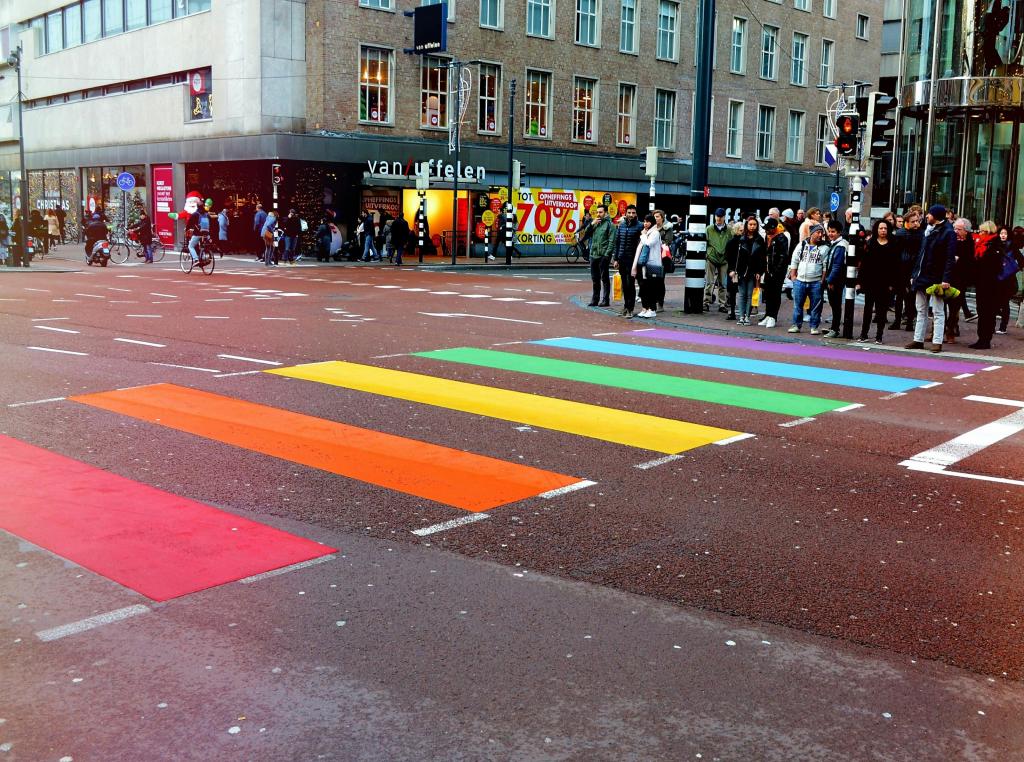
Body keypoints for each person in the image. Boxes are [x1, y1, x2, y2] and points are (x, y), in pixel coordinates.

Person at [906, 204, 956, 353]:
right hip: (922, 276)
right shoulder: (928, 231)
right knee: (920, 309)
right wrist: (914, 274)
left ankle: (937, 341)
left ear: (936, 216)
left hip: (936, 277)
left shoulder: (948, 233)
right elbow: (920, 256)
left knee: (937, 310)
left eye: (929, 214)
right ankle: (918, 339)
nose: (927, 216)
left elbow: (949, 258)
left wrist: (946, 279)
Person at [856, 219, 899, 343]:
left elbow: (895, 266)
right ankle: (864, 334)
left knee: (881, 311)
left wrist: (892, 284)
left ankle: (879, 336)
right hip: (870, 281)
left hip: (885, 283)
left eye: (885, 228)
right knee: (868, 309)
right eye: (881, 228)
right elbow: (864, 264)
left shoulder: (893, 244)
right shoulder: (870, 243)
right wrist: (860, 281)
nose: (883, 231)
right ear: (876, 229)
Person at [787, 223, 828, 334]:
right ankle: (796, 325)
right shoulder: (801, 245)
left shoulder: (824, 248)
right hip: (800, 281)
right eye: (818, 232)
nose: (820, 235)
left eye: (822, 233)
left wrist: (821, 280)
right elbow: (794, 260)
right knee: (798, 305)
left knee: (816, 306)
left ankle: (814, 327)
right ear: (812, 233)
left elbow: (825, 266)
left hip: (815, 282)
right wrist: (794, 276)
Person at [970, 221, 1002, 349]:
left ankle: (985, 339)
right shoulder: (982, 244)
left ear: (988, 232)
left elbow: (992, 266)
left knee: (987, 311)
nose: (980, 233)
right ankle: (981, 338)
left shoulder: (994, 245)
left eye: (982, 231)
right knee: (981, 310)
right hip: (982, 282)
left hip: (990, 284)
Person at [731, 216, 766, 325]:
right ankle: (741, 316)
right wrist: (733, 270)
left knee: (750, 294)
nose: (752, 226)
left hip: (753, 271)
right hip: (741, 271)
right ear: (747, 225)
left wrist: (759, 272)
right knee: (742, 294)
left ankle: (747, 316)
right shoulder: (741, 239)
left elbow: (762, 258)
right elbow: (735, 256)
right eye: (750, 224)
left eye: (754, 224)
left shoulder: (760, 240)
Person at [891, 207, 922, 330]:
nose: (916, 223)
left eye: (917, 221)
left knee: (912, 297)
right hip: (901, 268)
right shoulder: (900, 234)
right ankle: (897, 320)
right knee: (899, 296)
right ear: (907, 222)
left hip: (914, 268)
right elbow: (895, 252)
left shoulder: (921, 234)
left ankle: (910, 321)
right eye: (913, 221)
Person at [945, 218, 975, 342]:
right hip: (946, 277)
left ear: (966, 231)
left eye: (959, 229)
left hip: (960, 279)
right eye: (954, 228)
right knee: (939, 306)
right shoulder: (949, 239)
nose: (955, 231)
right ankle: (935, 331)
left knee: (954, 307)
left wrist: (959, 259)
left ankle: (950, 331)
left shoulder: (970, 242)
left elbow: (970, 261)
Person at [758, 217, 790, 328]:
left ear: (773, 228)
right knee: (768, 293)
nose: (766, 231)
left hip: (777, 272)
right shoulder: (768, 237)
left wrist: (776, 270)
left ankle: (773, 317)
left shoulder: (782, 238)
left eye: (767, 229)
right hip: (768, 270)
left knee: (775, 294)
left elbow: (783, 257)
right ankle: (767, 314)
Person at [632, 213, 663, 319]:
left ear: (652, 222)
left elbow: (648, 243)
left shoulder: (654, 233)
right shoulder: (647, 233)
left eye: (647, 221)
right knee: (644, 287)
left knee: (651, 288)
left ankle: (652, 309)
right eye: (644, 221)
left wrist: (643, 235)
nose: (645, 224)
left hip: (652, 264)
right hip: (644, 264)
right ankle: (645, 308)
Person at [613, 204, 642, 317]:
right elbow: (618, 242)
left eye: (633, 213)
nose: (631, 215)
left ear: (636, 214)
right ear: (625, 213)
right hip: (622, 259)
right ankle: (625, 306)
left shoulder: (639, 226)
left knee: (630, 284)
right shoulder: (622, 225)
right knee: (624, 285)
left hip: (633, 260)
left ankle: (630, 309)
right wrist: (616, 259)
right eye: (629, 213)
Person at [995, 225, 1023, 334]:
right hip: (997, 277)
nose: (1003, 235)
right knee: (996, 301)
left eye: (1005, 234)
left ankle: (1003, 326)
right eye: (1001, 233)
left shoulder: (1012, 246)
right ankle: (992, 325)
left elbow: (1021, 260)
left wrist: (1014, 268)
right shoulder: (995, 245)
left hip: (1008, 279)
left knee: (1005, 302)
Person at [822, 220, 849, 338]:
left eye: (833, 232)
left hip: (836, 280)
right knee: (834, 305)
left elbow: (837, 266)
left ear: (839, 232)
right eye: (829, 231)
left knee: (836, 305)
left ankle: (835, 329)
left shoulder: (840, 246)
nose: (830, 234)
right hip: (835, 279)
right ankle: (834, 327)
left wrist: (830, 280)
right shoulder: (836, 244)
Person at [704, 208, 733, 312]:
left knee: (723, 283)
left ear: (724, 217)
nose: (719, 219)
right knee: (709, 282)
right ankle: (706, 302)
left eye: (721, 217)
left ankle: (722, 304)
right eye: (717, 216)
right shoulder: (709, 229)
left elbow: (732, 244)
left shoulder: (729, 230)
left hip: (724, 259)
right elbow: (705, 243)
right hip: (711, 258)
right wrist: (707, 255)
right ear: (715, 216)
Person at [587, 204, 615, 307]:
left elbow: (612, 241)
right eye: (597, 212)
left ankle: (605, 300)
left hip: (603, 255)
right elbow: (586, 234)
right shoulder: (595, 223)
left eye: (601, 212)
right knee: (595, 279)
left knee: (605, 279)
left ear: (606, 213)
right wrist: (591, 224)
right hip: (593, 254)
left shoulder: (610, 225)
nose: (598, 214)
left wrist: (607, 255)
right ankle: (595, 299)